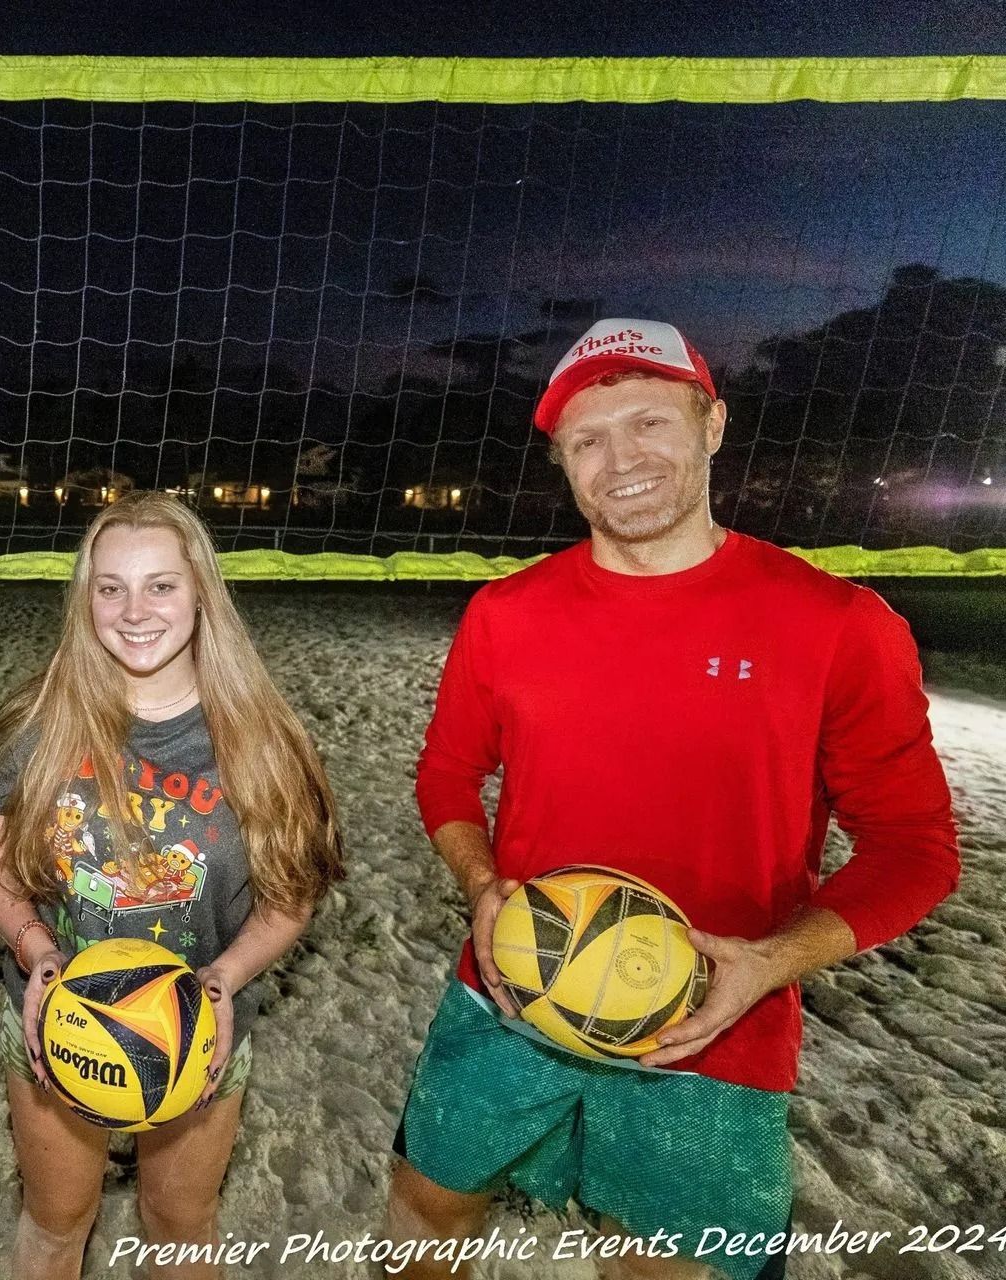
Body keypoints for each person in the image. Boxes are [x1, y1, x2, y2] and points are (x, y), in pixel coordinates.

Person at [389, 318, 960, 1279]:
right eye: (588, 439)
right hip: (511, 989)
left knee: (659, 1266)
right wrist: (482, 884)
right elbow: (447, 775)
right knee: (422, 1216)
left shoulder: (837, 624)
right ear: (564, 463)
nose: (621, 460)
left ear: (713, 425)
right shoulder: (505, 614)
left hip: (713, 1025)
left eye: (649, 422)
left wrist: (772, 962)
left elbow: (915, 847)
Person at [0, 491, 345, 1279]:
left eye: (160, 585)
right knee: (54, 1221)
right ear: (86, 600)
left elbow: (291, 899)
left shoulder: (262, 741)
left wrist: (225, 976)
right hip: (57, 1017)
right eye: (111, 587)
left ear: (202, 592)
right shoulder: (40, 724)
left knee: (179, 1225)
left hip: (196, 1027)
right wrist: (37, 953)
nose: (134, 611)